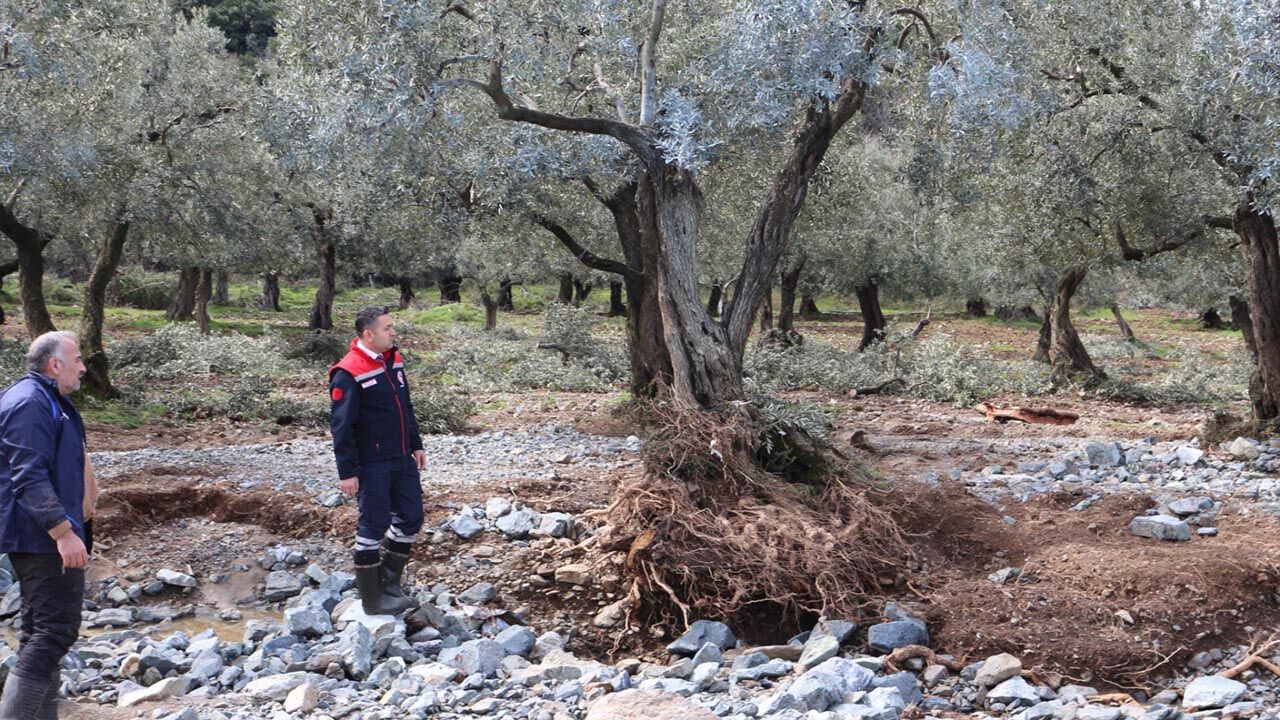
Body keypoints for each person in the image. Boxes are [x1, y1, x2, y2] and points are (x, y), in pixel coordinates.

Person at [0, 331, 89, 719]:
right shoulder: (30, 403)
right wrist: (62, 532)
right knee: (55, 632)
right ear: (55, 364)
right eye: (78, 359)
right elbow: (28, 476)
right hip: (40, 538)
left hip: (45, 535)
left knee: (42, 633)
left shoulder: (52, 401)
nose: (84, 367)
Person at [329, 306, 425, 615]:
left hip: (401, 457)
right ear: (368, 334)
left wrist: (416, 443)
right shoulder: (348, 371)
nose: (393, 332)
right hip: (372, 463)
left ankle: (388, 583)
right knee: (373, 523)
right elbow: (342, 426)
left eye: (392, 327)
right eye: (387, 328)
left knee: (411, 518)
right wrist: (347, 471)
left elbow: (404, 405)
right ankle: (372, 600)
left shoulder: (393, 360)